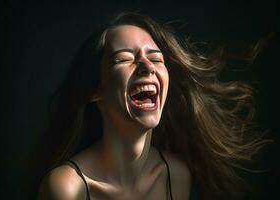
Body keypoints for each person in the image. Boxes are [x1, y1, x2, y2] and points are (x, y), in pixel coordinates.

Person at [37, 12, 266, 200]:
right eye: (125, 58)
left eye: (156, 59)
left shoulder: (175, 175)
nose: (148, 66)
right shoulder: (65, 188)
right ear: (94, 89)